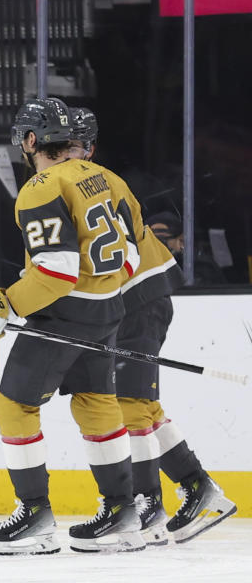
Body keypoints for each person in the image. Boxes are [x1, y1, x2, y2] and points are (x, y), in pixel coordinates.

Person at [0, 97, 146, 555]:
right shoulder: (108, 178)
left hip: (63, 314)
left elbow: (55, 271)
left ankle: (34, 516)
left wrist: (2, 306)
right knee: (96, 403)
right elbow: (132, 252)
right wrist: (100, 292)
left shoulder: (41, 186)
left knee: (13, 406)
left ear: (31, 141)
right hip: (107, 308)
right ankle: (123, 515)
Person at [68, 106, 237, 546]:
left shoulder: (77, 188)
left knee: (131, 406)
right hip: (139, 294)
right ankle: (198, 488)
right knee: (141, 405)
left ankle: (149, 505)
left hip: (137, 296)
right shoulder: (92, 182)